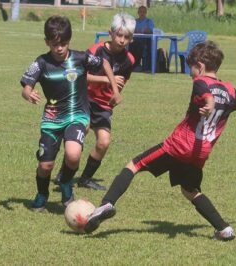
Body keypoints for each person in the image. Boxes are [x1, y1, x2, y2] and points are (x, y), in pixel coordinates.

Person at [84, 41, 236, 240]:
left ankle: (107, 203)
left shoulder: (200, 82)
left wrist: (210, 105)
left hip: (179, 146)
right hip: (201, 153)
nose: (190, 73)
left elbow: (206, 95)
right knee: (190, 190)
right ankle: (224, 229)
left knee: (134, 164)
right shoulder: (230, 91)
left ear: (201, 67)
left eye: (191, 68)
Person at [20, 16, 119, 211]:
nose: (59, 48)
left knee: (73, 155)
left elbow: (105, 64)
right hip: (52, 120)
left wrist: (114, 89)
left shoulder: (81, 58)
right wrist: (28, 94)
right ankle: (42, 194)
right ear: (47, 42)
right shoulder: (41, 63)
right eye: (55, 44)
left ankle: (65, 183)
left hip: (77, 115)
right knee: (45, 166)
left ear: (69, 41)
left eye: (63, 44)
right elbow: (26, 86)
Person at [55, 13, 136, 191]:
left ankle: (85, 178)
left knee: (104, 142)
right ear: (111, 33)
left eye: (127, 37)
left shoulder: (129, 60)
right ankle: (63, 174)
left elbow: (122, 83)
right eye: (119, 35)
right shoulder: (96, 50)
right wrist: (108, 80)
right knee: (79, 134)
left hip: (103, 104)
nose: (122, 40)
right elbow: (80, 75)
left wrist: (115, 97)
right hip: (85, 98)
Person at [128, 5, 154, 71]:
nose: (142, 13)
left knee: (142, 47)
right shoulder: (134, 21)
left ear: (146, 13)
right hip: (135, 41)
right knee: (130, 45)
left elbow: (150, 31)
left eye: (144, 12)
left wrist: (138, 30)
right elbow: (131, 30)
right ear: (138, 13)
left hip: (146, 42)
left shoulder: (149, 21)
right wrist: (142, 30)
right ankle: (133, 65)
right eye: (140, 12)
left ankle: (143, 67)